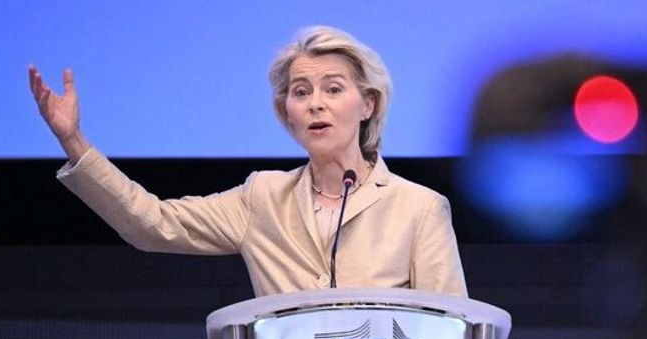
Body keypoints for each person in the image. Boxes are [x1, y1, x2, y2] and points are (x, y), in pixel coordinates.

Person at [28, 26, 467, 298]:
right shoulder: (263, 197)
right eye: (301, 92)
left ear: (368, 104)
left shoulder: (418, 208)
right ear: (287, 113)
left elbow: (457, 332)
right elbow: (152, 223)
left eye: (333, 89)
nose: (315, 104)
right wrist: (73, 139)